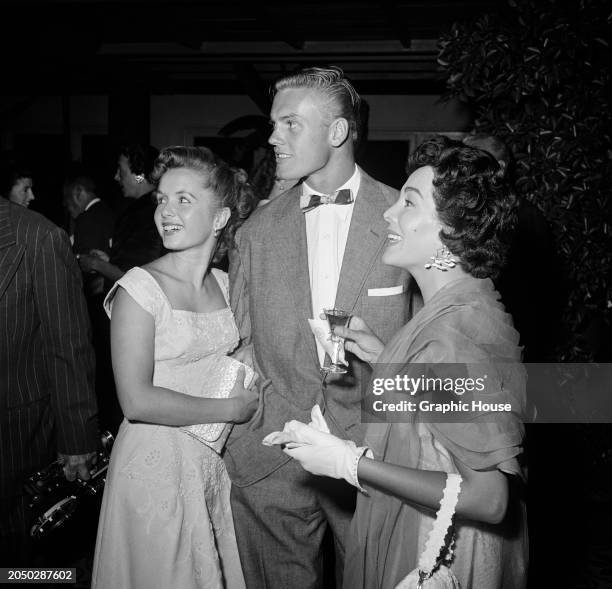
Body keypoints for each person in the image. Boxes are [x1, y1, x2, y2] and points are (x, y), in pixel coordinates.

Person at [265, 136, 528, 588]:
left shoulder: (447, 336)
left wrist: (350, 463)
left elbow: (489, 499)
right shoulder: (465, 308)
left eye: (409, 202)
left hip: (439, 553)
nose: (389, 212)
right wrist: (385, 357)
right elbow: (449, 422)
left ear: (451, 233)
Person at [225, 66, 414, 587]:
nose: (271, 138)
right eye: (272, 124)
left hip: (374, 457)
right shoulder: (256, 232)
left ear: (337, 132)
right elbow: (240, 340)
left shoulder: (408, 218)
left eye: (289, 124)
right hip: (271, 460)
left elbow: (437, 350)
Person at [91, 146, 258, 589]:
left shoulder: (226, 285)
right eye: (162, 199)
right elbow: (136, 400)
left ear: (220, 217)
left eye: (184, 199)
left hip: (210, 466)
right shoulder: (138, 289)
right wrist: (231, 409)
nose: (166, 211)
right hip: (153, 469)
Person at [0, 198, 98, 566]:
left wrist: (77, 436)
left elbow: (68, 345)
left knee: (20, 563)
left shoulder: (38, 236)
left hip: (15, 438)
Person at [462, 133, 564, 362]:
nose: (467, 171)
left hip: (513, 344)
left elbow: (544, 289)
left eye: (477, 162)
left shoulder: (525, 217)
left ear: (499, 168)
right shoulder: (469, 214)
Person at [63, 173, 119, 433]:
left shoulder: (86, 219)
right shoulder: (111, 210)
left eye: (67, 200)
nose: (67, 206)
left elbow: (84, 269)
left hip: (96, 303)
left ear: (77, 193)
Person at [78, 144, 165, 290]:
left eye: (121, 170)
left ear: (139, 175)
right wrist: (110, 260)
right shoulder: (146, 208)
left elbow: (139, 277)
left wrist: (96, 264)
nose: (116, 176)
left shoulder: (149, 214)